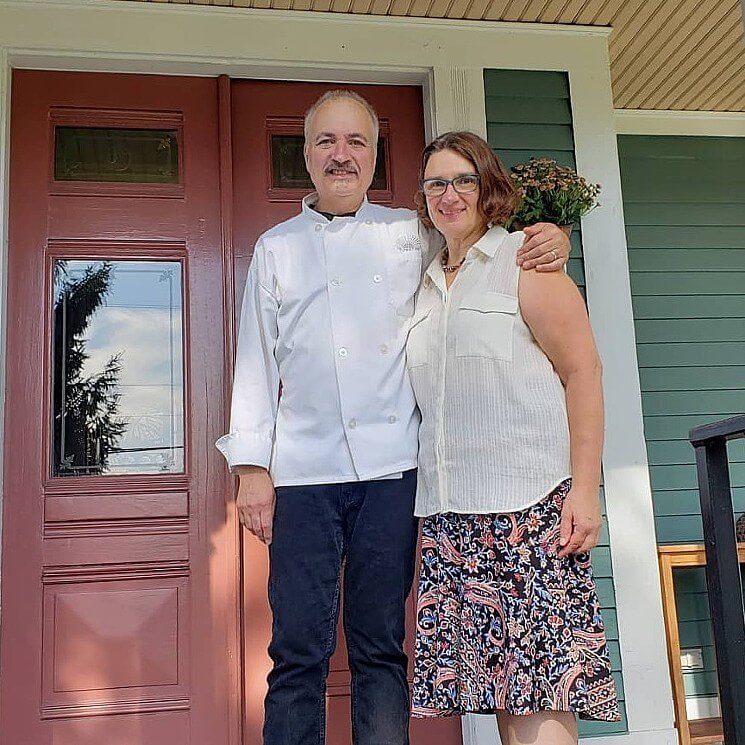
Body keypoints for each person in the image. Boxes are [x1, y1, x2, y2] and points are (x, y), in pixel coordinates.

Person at [216, 91, 571, 745]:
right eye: (326, 141)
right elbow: (255, 362)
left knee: (380, 646)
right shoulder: (275, 248)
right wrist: (250, 468)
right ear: (306, 154)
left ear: (374, 155)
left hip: (392, 473)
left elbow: (483, 242)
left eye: (355, 141)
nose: (340, 154)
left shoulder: (412, 234)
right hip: (301, 472)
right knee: (297, 649)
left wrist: (548, 235)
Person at [406, 130, 621, 744]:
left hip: (530, 507)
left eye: (463, 180)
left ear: (488, 188)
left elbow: (583, 372)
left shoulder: (524, 263)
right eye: (436, 183)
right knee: (499, 693)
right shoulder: (421, 284)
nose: (450, 195)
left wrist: (585, 490)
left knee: (541, 692)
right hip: (452, 517)